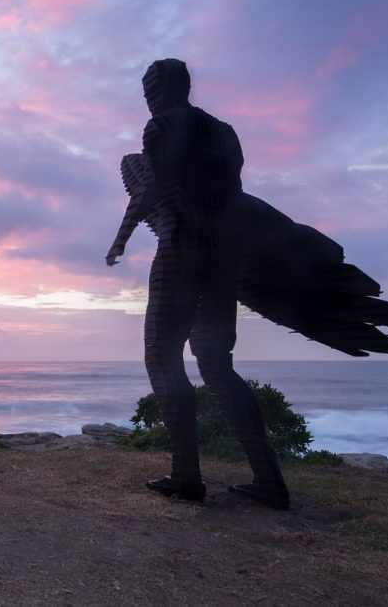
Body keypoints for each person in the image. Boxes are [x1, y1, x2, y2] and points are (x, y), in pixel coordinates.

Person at [106, 59, 289, 509]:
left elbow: (155, 190)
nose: (147, 96)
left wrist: (121, 239)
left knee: (163, 356)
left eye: (150, 87)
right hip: (224, 250)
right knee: (216, 362)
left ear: (165, 88)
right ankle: (269, 480)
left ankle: (186, 475)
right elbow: (233, 192)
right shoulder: (224, 132)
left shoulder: (161, 125)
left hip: (182, 244)